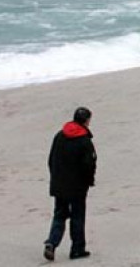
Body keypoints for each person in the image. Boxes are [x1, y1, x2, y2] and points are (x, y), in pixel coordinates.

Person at [43, 107, 97, 261]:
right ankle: (77, 249)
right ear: (86, 121)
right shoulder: (84, 141)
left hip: (59, 184)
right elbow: (89, 165)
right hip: (77, 187)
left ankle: (51, 243)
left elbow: (51, 160)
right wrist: (89, 181)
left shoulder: (59, 136)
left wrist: (55, 178)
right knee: (77, 216)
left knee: (59, 214)